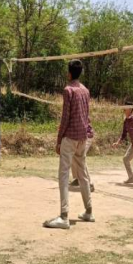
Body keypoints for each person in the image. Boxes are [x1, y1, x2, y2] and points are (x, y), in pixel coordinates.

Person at [44, 59, 94, 229]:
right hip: (82, 138)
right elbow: (86, 115)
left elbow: (65, 117)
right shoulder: (85, 90)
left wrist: (59, 140)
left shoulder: (68, 90)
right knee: (83, 174)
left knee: (64, 175)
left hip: (70, 137)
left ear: (69, 73)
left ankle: (64, 216)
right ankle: (89, 211)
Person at [69, 122, 95, 192]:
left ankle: (89, 183)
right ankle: (78, 179)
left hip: (85, 136)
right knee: (74, 156)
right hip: (80, 136)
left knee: (80, 158)